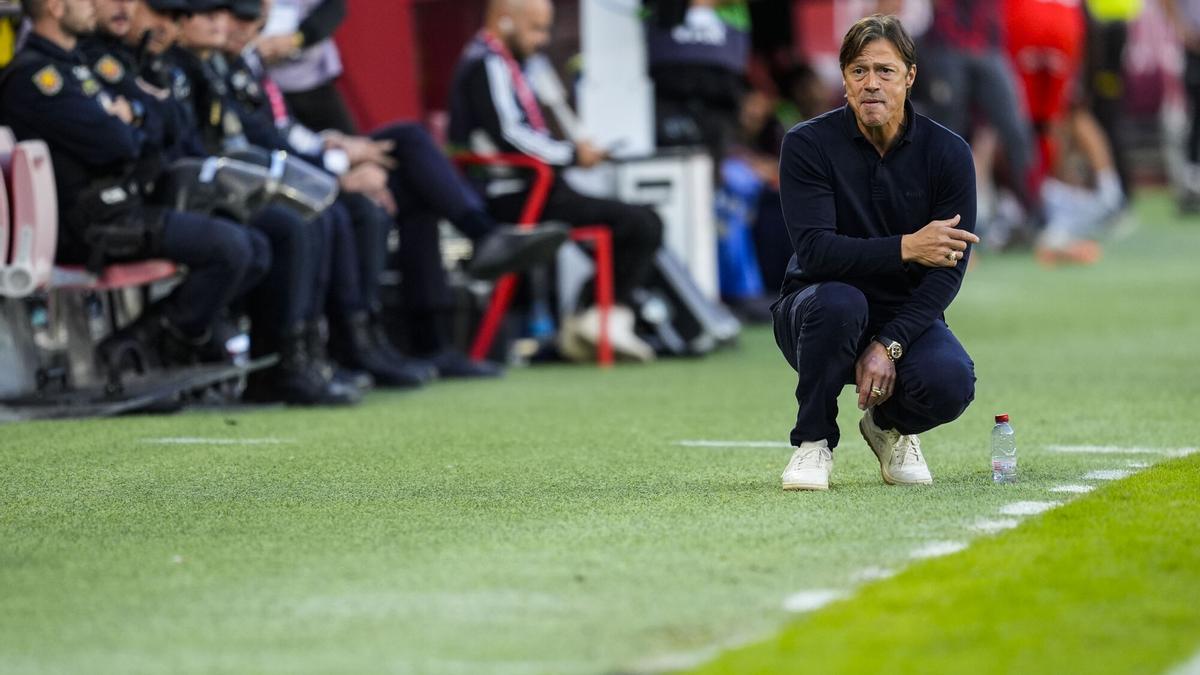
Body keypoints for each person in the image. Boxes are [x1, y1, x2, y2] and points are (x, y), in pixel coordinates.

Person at [0, 0, 266, 368]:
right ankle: (139, 348)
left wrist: (132, 116)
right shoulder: (37, 78)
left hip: (121, 210)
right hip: (89, 225)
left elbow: (159, 127)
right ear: (55, 7)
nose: (95, 5)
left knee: (253, 245)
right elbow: (119, 143)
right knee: (230, 247)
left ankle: (167, 343)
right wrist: (129, 121)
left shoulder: (76, 66)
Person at [773, 14, 978, 492]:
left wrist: (890, 344)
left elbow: (948, 272)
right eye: (858, 71)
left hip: (904, 312)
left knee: (951, 381)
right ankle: (813, 443)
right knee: (841, 302)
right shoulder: (806, 145)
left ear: (909, 77)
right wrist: (910, 246)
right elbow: (817, 253)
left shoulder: (948, 153)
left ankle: (887, 426)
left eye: (885, 71)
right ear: (843, 79)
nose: (871, 84)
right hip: (815, 308)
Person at [449, 0, 665, 363]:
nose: (543, 39)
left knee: (637, 223)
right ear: (504, 20)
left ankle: (594, 319)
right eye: (535, 28)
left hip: (536, 186)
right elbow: (510, 134)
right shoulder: (488, 62)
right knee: (641, 223)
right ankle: (596, 320)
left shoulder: (509, 63)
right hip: (513, 192)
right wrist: (569, 155)